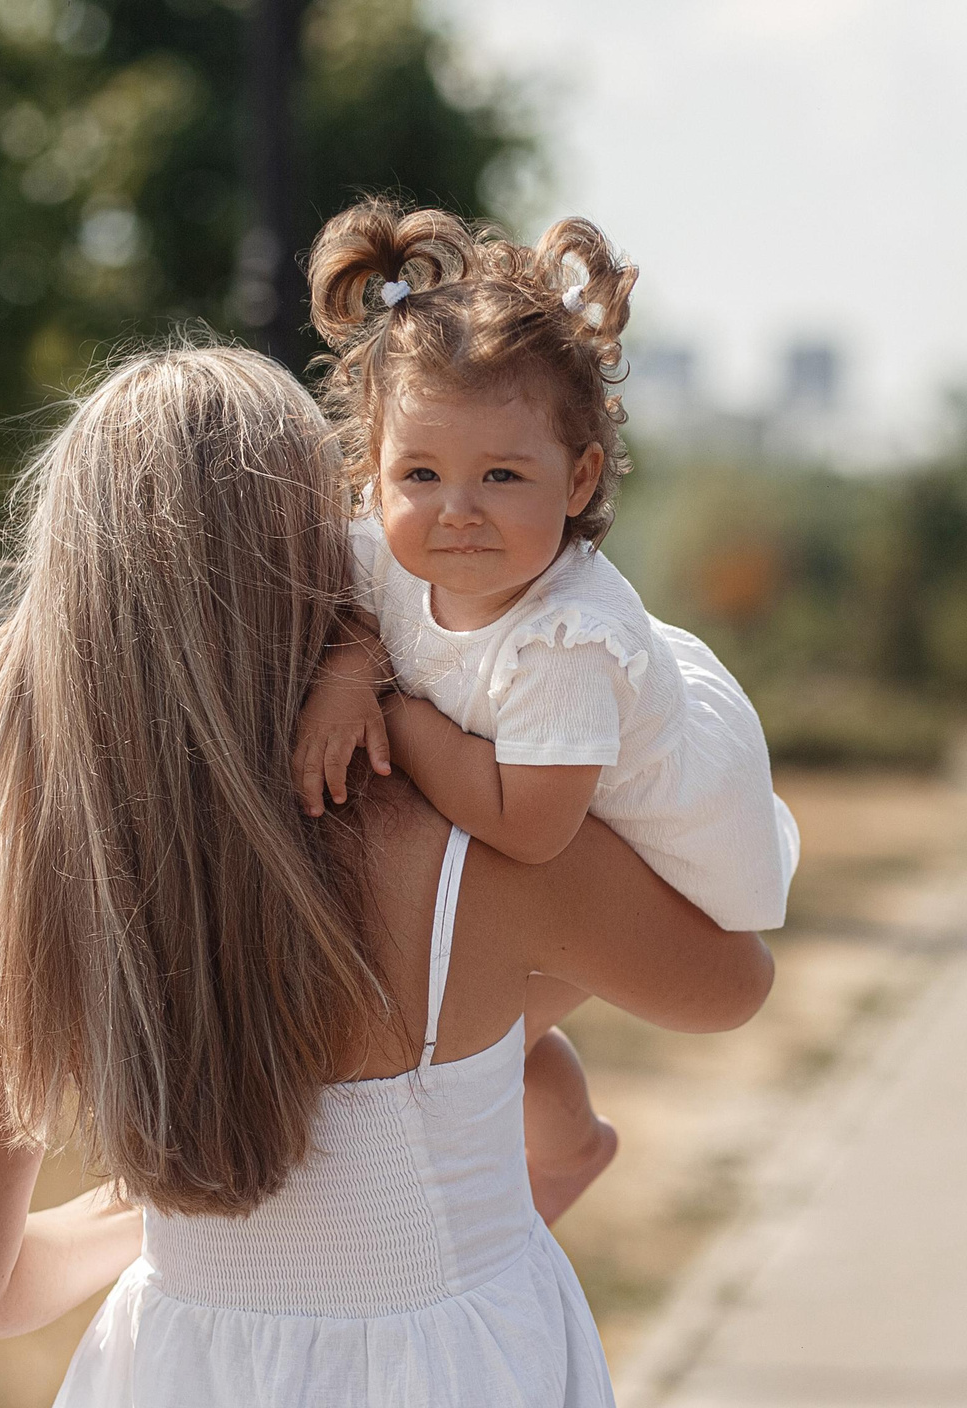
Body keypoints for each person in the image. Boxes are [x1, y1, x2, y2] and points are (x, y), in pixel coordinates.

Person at [0, 344, 773, 1408]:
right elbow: (730, 982)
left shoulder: (37, 880)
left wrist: (176, 1201)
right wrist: (483, 1096)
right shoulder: (469, 839)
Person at [286, 199, 798, 1226]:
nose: (457, 508)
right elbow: (345, 604)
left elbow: (530, 824)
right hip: (554, 812)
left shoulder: (562, 643)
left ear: (579, 479)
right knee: (480, 1042)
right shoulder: (384, 552)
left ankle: (564, 1152)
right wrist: (347, 666)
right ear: (370, 472)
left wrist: (392, 704)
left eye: (502, 476)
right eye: (419, 474)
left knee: (476, 1043)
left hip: (668, 868)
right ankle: (564, 1142)